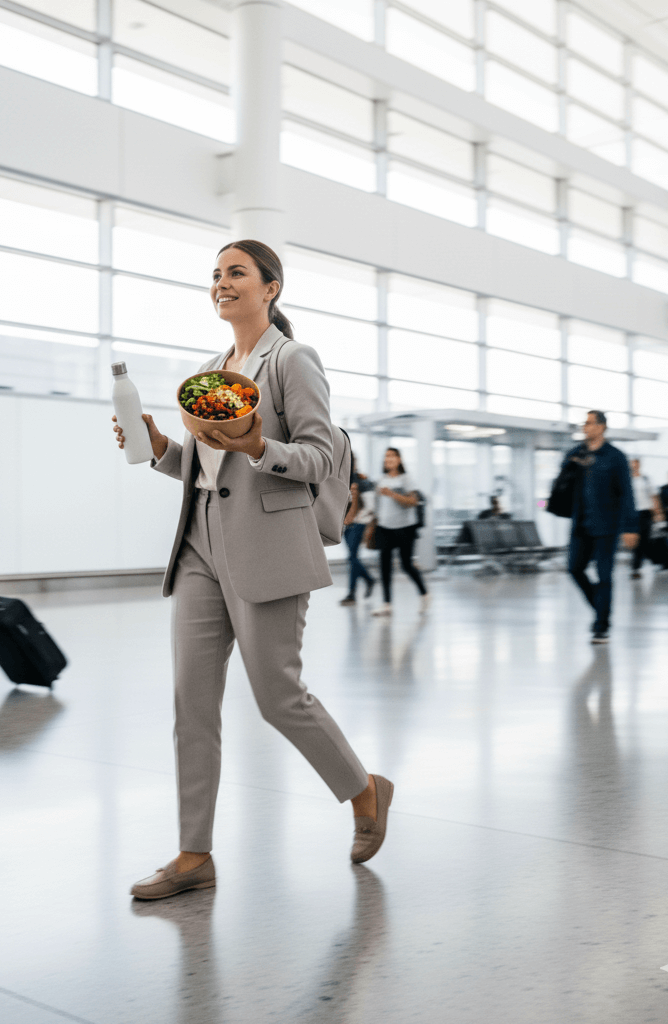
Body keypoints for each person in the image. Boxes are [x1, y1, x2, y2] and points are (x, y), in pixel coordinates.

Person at [112, 240, 392, 900]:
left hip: (268, 544)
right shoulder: (212, 368)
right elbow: (210, 468)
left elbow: (322, 457)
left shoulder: (293, 360)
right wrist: (160, 450)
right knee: (193, 704)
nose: (222, 283)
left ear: (271, 288)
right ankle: (193, 854)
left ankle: (364, 790)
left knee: (277, 697)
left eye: (235, 273)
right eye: (215, 275)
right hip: (201, 544)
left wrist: (261, 443)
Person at [561, 410, 638, 644]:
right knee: (574, 568)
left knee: (604, 576)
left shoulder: (615, 457)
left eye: (590, 423)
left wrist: (630, 527)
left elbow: (626, 493)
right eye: (584, 424)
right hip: (581, 524)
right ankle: (600, 606)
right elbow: (563, 482)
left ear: (602, 427)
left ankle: (601, 626)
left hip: (607, 526)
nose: (585, 428)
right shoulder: (575, 453)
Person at [371, 448, 429, 617]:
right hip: (384, 528)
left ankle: (425, 595)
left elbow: (413, 501)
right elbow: (378, 504)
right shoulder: (381, 480)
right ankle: (386, 604)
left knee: (406, 565)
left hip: (405, 528)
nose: (388, 459)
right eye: (386, 456)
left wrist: (392, 494)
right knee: (385, 567)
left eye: (391, 456)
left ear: (399, 460)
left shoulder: (406, 479)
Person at [340, 454, 375, 606]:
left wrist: (358, 520)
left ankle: (351, 594)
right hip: (346, 525)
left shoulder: (362, 481)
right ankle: (369, 579)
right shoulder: (342, 481)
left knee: (352, 557)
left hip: (358, 524)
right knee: (352, 558)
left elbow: (371, 507)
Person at [628, 459, 662, 579]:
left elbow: (654, 497)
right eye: (632, 464)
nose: (634, 466)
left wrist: (658, 514)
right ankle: (651, 563)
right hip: (632, 514)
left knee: (644, 539)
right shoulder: (627, 481)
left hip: (645, 513)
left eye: (636, 464)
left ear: (639, 465)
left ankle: (636, 568)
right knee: (638, 541)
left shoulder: (646, 480)